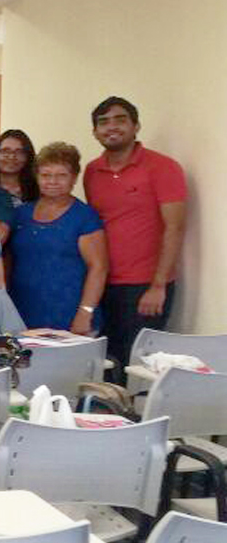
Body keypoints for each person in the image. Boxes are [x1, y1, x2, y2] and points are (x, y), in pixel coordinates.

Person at [82, 96, 187, 371]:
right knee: (106, 362)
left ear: (136, 126)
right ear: (95, 131)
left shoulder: (163, 167)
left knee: (138, 365)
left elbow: (175, 227)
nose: (111, 127)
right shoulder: (92, 171)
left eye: (120, 120)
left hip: (145, 286)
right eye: (103, 122)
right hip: (103, 283)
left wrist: (158, 286)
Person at [8, 142, 108, 333]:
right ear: (37, 177)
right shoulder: (21, 214)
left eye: (62, 175)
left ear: (74, 178)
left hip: (71, 316)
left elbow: (99, 268)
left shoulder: (84, 216)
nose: (53, 181)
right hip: (23, 312)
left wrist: (85, 312)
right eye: (46, 175)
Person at [0, 129, 40, 209]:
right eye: (5, 151)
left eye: (19, 152)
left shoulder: (39, 189)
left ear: (28, 156)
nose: (11, 157)